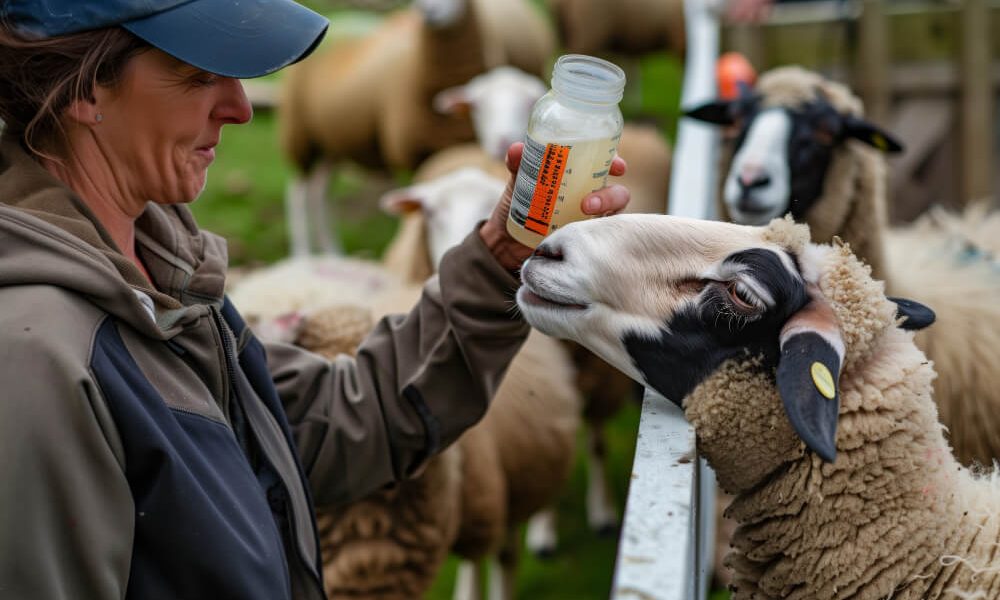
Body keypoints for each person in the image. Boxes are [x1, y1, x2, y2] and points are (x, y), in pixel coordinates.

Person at [0, 1, 630, 599]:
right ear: (83, 90)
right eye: (199, 74)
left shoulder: (159, 278)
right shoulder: (38, 361)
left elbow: (334, 422)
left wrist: (500, 257)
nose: (241, 108)